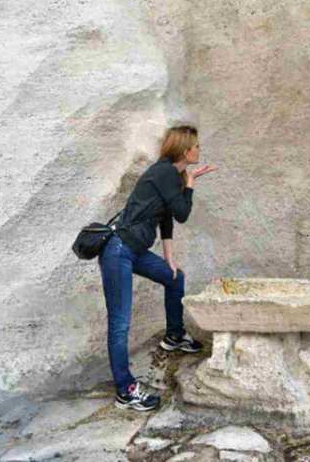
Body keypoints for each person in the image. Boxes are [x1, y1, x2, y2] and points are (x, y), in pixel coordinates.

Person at [99, 125, 218, 411]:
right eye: (197, 146)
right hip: (118, 251)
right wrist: (190, 182)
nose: (199, 150)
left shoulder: (169, 176)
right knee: (120, 324)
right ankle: (125, 390)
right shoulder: (166, 173)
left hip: (132, 250)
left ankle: (174, 336)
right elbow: (183, 214)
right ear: (185, 149)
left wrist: (169, 259)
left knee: (175, 278)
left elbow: (166, 219)